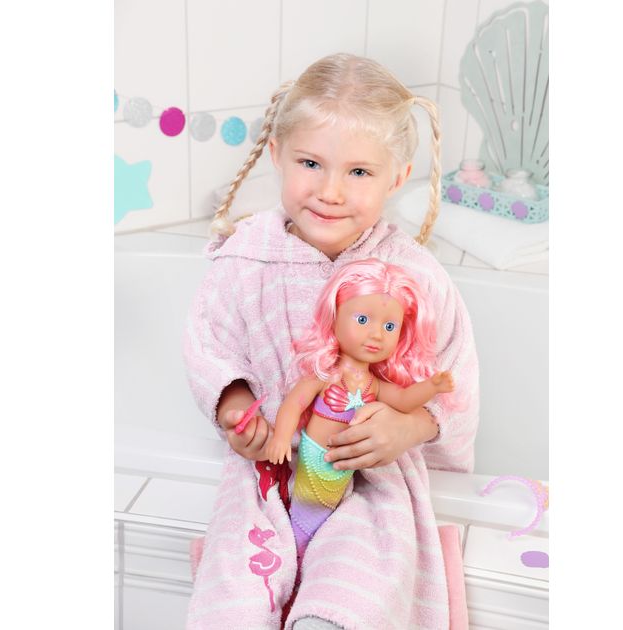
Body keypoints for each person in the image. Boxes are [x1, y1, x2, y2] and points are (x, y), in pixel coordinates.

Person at [182, 52, 480, 630]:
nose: (330, 191)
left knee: (354, 591)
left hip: (370, 481)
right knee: (236, 593)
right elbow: (210, 346)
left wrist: (411, 426)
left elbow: (454, 375)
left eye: (359, 173)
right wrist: (236, 408)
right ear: (277, 154)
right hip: (267, 474)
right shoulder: (244, 259)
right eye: (311, 163)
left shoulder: (415, 275)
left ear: (398, 178)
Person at [263, 259, 457, 561]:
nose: (377, 334)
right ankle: (295, 555)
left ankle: (316, 556)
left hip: (344, 470)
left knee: (327, 520)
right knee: (303, 518)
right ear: (335, 318)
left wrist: (432, 387)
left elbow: (404, 400)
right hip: (314, 458)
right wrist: (280, 438)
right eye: (363, 320)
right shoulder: (325, 373)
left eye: (389, 327)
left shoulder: (372, 384)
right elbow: (295, 403)